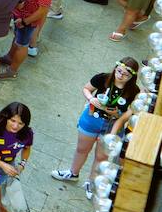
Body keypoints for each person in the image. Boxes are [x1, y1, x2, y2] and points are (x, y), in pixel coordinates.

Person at [52, 58, 141, 192]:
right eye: (119, 71)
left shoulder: (134, 90)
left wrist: (118, 114)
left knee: (101, 157)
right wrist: (91, 99)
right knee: (82, 149)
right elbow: (86, 88)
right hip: (91, 119)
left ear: (132, 77)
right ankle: (73, 173)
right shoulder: (103, 78)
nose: (120, 75)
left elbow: (131, 112)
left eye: (125, 74)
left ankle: (91, 182)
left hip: (111, 126)